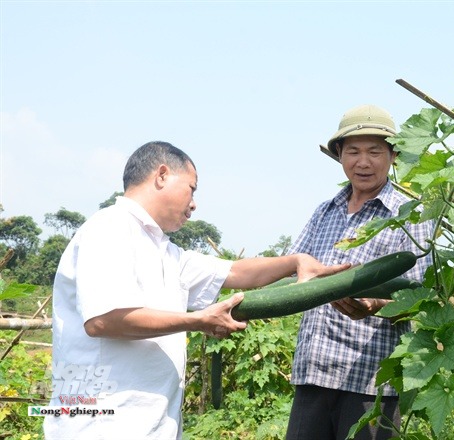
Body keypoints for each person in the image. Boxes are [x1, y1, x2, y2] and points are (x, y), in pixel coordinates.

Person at [43, 141, 348, 439]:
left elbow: (235, 271)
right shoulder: (110, 227)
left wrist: (296, 261)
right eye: (192, 188)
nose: (194, 203)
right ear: (162, 175)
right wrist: (198, 320)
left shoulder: (164, 251)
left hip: (147, 425)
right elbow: (103, 320)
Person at [285, 105, 434, 439]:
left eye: (374, 152)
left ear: (393, 156)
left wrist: (376, 305)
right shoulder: (323, 212)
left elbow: (420, 294)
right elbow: (290, 270)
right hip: (313, 373)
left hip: (370, 383)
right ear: (339, 155)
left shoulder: (411, 217)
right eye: (352, 151)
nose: (363, 162)